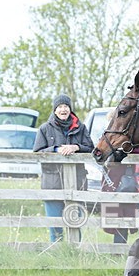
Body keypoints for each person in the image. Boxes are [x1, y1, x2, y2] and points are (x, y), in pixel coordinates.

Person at [33, 94, 94, 242]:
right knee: (55, 222)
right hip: (52, 181)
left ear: (70, 109)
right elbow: (37, 152)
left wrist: (76, 147)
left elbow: (91, 149)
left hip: (77, 181)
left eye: (66, 106)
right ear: (55, 110)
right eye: (60, 107)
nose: (63, 109)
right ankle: (56, 251)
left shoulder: (81, 128)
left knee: (76, 220)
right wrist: (55, 150)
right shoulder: (45, 129)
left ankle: (75, 250)